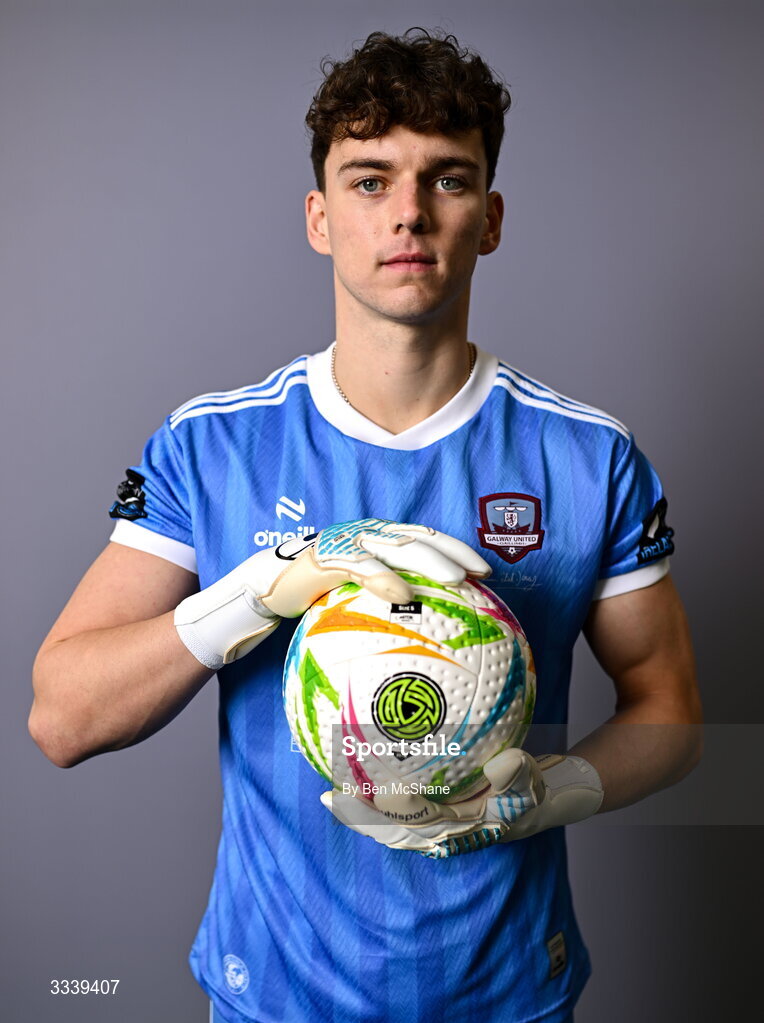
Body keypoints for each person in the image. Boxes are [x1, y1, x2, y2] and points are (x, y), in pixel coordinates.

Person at [28, 27, 702, 1023]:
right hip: (273, 999)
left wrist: (554, 790)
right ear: (317, 215)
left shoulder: (586, 455)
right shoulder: (211, 447)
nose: (409, 215)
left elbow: (672, 716)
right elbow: (61, 719)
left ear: (492, 217)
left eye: (448, 179)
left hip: (505, 995)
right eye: (369, 180)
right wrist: (254, 592)